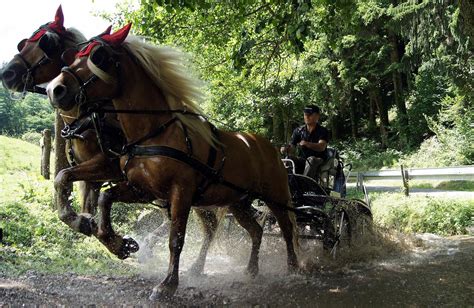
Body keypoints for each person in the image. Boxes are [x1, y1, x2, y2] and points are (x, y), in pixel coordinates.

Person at [280, 105, 329, 180]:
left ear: (317, 116)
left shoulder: (323, 131)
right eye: (305, 114)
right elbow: (292, 147)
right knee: (289, 158)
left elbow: (321, 147)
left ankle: (304, 184)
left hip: (319, 159)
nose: (307, 116)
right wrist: (286, 149)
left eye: (310, 114)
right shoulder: (298, 130)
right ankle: (288, 182)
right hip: (302, 159)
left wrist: (306, 143)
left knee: (311, 159)